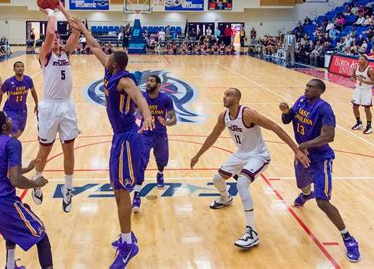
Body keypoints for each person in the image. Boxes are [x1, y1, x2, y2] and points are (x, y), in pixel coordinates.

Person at [69, 16, 154, 268]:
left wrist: (147, 116)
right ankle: (127, 236)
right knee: (118, 189)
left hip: (128, 138)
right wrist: (82, 28)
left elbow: (139, 95)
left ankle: (128, 246)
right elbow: (95, 46)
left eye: (109, 59)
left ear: (115, 64)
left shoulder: (124, 80)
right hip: (119, 138)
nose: (104, 59)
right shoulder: (110, 69)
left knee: (122, 190)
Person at [191, 88, 309, 249]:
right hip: (241, 154)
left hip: (259, 156)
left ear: (237, 99)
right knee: (217, 179)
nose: (224, 97)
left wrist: (296, 150)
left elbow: (276, 127)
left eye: (229, 95)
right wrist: (198, 155)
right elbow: (213, 136)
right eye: (224, 94)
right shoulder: (224, 116)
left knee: (241, 184)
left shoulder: (248, 114)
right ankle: (226, 199)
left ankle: (251, 233)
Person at [279, 79, 361, 262]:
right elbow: (287, 120)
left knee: (323, 202)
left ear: (320, 91)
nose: (306, 88)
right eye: (306, 86)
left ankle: (348, 238)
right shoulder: (301, 100)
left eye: (310, 87)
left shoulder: (324, 108)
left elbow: (329, 136)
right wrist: (285, 112)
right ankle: (307, 194)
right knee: (302, 185)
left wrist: (305, 144)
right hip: (302, 155)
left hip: (320, 159)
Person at [0, 112, 53, 269]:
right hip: (0, 204)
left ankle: (10, 265)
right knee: (41, 235)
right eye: (8, 118)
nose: (11, 119)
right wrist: (36, 183)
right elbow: (15, 180)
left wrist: (27, 168)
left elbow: (1, 171)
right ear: (4, 126)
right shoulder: (12, 143)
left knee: (10, 229)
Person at [31, 3, 81, 213]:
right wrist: (51, 13)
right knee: (45, 149)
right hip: (49, 107)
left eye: (60, 40)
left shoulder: (66, 54)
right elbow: (50, 32)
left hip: (67, 105)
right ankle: (35, 179)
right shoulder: (45, 56)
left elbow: (77, 28)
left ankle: (68, 190)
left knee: (68, 149)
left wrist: (61, 7)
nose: (57, 41)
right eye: (54, 41)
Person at [132, 75, 177, 212]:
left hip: (160, 134)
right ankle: (137, 194)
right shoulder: (142, 96)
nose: (148, 83)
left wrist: (167, 122)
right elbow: (133, 112)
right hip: (145, 133)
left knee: (161, 160)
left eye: (151, 81)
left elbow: (173, 120)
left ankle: (160, 172)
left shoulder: (165, 99)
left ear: (158, 85)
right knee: (141, 161)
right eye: (148, 81)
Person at [0, 61, 38, 139]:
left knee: (21, 129)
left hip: (22, 109)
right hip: (10, 110)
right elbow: (0, 94)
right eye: (18, 67)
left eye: (22, 67)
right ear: (14, 69)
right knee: (13, 132)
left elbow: (33, 91)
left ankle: (8, 142)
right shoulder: (9, 82)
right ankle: (8, 146)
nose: (20, 68)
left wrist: (36, 104)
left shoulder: (28, 80)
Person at [350, 54, 374, 134]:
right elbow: (353, 76)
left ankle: (369, 126)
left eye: (361, 59)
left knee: (367, 109)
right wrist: (352, 78)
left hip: (366, 91)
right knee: (354, 107)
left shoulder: (370, 70)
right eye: (359, 59)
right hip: (358, 89)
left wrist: (363, 81)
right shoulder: (355, 68)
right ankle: (359, 122)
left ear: (366, 61)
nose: (359, 60)